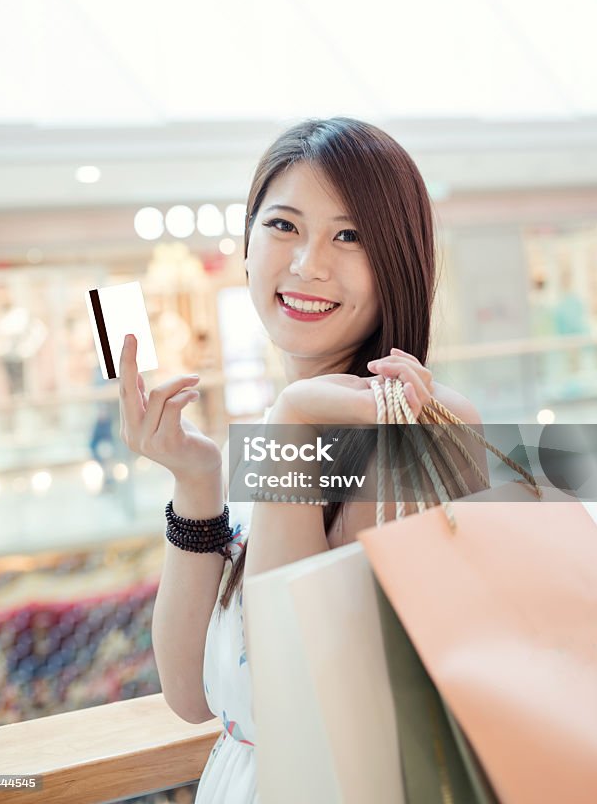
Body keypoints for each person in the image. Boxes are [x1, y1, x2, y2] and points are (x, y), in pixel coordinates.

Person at [118, 118, 487, 803]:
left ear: (397, 260)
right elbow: (193, 696)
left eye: (348, 236)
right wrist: (196, 482)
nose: (308, 262)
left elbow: (294, 704)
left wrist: (293, 419)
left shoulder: (418, 426)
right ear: (248, 247)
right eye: (283, 226)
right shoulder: (282, 425)